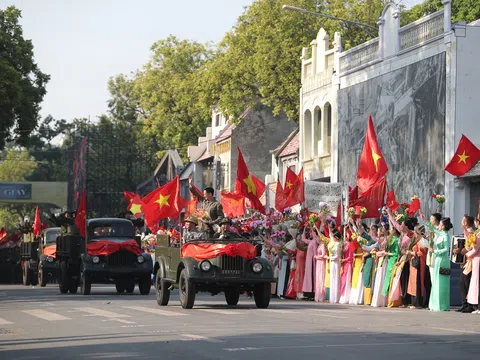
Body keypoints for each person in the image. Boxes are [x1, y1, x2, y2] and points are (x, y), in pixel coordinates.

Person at [429, 217, 453, 312]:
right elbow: (433, 229)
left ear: (443, 226)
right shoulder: (441, 234)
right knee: (435, 282)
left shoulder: (446, 236)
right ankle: (435, 304)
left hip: (443, 260)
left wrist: (435, 251)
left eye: (440, 224)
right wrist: (427, 222)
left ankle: (442, 305)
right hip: (438, 259)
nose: (438, 226)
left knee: (441, 283)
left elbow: (446, 250)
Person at [454, 215, 476, 313]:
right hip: (468, 261)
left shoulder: (471, 232)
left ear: (466, 222)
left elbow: (472, 245)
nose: (461, 221)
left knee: (466, 282)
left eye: (463, 220)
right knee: (463, 282)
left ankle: (469, 305)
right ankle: (465, 304)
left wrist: (464, 251)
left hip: (471, 261)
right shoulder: (467, 232)